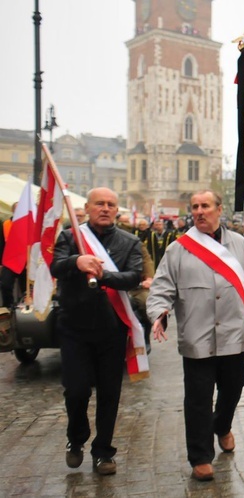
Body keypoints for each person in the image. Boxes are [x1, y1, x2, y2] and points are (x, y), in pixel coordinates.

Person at [147, 190, 244, 481]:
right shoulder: (178, 249)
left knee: (235, 386)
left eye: (206, 206)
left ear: (219, 210)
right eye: (195, 207)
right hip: (197, 338)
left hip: (233, 336)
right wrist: (159, 313)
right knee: (198, 399)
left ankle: (223, 424)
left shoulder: (241, 244)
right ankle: (200, 457)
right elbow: (161, 288)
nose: (200, 211)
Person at [50, 187, 144, 475]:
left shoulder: (130, 241)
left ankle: (103, 451)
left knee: (110, 393)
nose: (105, 208)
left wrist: (106, 276)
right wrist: (76, 261)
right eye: (99, 203)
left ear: (117, 210)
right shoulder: (69, 236)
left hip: (111, 329)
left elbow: (134, 276)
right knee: (76, 391)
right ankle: (76, 438)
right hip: (74, 328)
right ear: (87, 207)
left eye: (111, 204)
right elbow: (55, 267)